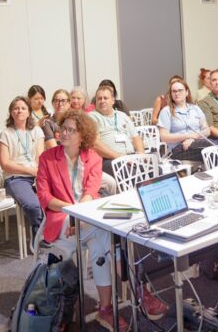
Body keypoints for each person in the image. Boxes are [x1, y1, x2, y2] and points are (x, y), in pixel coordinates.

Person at [36, 109, 167, 331]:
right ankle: (139, 291)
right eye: (62, 129)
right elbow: (45, 197)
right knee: (107, 236)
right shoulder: (48, 158)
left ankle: (106, 309)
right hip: (61, 220)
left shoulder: (92, 158)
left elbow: (91, 190)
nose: (64, 133)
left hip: (85, 218)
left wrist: (80, 214)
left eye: (70, 130)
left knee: (103, 243)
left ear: (82, 136)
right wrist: (73, 213)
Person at [0, 96, 45, 238]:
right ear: (11, 113)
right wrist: (30, 170)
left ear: (29, 112)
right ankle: (38, 238)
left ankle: (52, 232)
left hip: (38, 175)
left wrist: (38, 174)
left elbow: (40, 158)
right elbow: (5, 164)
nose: (19, 111)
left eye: (23, 108)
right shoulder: (6, 134)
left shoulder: (37, 131)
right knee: (33, 205)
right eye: (16, 108)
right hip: (16, 178)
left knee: (55, 199)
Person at [157, 78, 218, 163]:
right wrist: (188, 136)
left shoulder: (195, 108)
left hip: (197, 142)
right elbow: (164, 137)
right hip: (178, 148)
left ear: (187, 92)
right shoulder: (166, 111)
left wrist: (193, 139)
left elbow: (207, 130)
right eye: (174, 91)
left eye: (180, 90)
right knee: (212, 147)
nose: (177, 93)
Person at [90, 85, 143, 177]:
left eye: (105, 98)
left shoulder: (122, 115)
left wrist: (141, 154)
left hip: (130, 156)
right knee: (133, 175)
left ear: (113, 100)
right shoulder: (92, 117)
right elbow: (96, 145)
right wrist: (120, 157)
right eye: (99, 99)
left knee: (156, 169)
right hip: (109, 159)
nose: (102, 101)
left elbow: (136, 138)